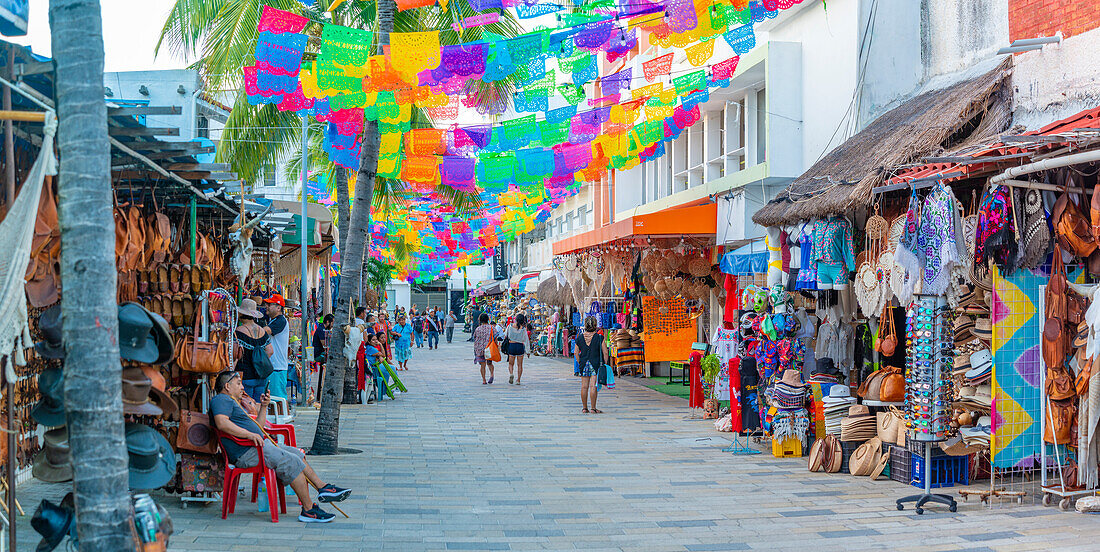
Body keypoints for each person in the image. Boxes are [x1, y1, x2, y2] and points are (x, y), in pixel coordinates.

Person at [210, 371, 350, 523]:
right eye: (238, 384)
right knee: (292, 461)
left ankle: (324, 488)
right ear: (227, 386)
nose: (242, 387)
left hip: (258, 446)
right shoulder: (221, 400)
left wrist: (263, 407)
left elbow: (259, 427)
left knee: (297, 454)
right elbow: (221, 423)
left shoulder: (231, 402)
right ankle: (309, 510)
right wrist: (249, 435)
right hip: (247, 451)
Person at [235, 299, 273, 402]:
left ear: (241, 314)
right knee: (258, 405)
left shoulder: (238, 332)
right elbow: (270, 351)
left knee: (246, 406)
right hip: (261, 375)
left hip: (245, 376)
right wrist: (258, 361)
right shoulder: (262, 331)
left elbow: (236, 354)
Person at [574, 316, 608, 414]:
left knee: (584, 387)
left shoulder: (580, 338)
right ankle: (593, 408)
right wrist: (604, 364)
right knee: (593, 386)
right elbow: (605, 352)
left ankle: (584, 408)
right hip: (596, 364)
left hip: (584, 364)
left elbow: (576, 352)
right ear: (595, 325)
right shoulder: (599, 337)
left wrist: (580, 361)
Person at [262, 294, 290, 400]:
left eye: (269, 304)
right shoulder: (273, 320)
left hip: (277, 368)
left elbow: (266, 331)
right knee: (273, 400)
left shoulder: (281, 321)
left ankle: (285, 416)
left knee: (279, 400)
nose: (266, 306)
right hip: (274, 367)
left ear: (278, 308)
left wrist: (250, 328)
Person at [505, 313, 531, 385]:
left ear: (515, 319)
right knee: (520, 365)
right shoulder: (523, 329)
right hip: (520, 346)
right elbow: (526, 340)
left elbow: (505, 335)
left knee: (511, 364)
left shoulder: (510, 326)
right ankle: (518, 380)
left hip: (512, 345)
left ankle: (511, 374)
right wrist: (528, 351)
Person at [472, 313, 496, 384]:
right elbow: (495, 337)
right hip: (489, 348)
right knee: (489, 363)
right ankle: (491, 374)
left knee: (482, 365)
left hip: (480, 349)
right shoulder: (492, 328)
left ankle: (484, 380)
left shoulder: (478, 329)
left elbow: (475, 338)